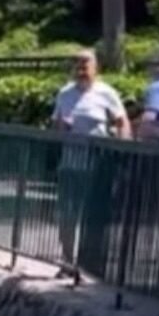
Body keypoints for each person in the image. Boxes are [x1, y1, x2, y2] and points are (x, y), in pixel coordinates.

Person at [51, 51, 130, 274]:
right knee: (67, 213)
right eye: (78, 67)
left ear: (96, 68)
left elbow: (122, 121)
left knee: (93, 215)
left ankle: (90, 264)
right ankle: (68, 261)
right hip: (71, 162)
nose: (82, 71)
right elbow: (56, 126)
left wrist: (123, 150)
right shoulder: (64, 94)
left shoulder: (107, 93)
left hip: (98, 164)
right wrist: (62, 127)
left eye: (86, 67)